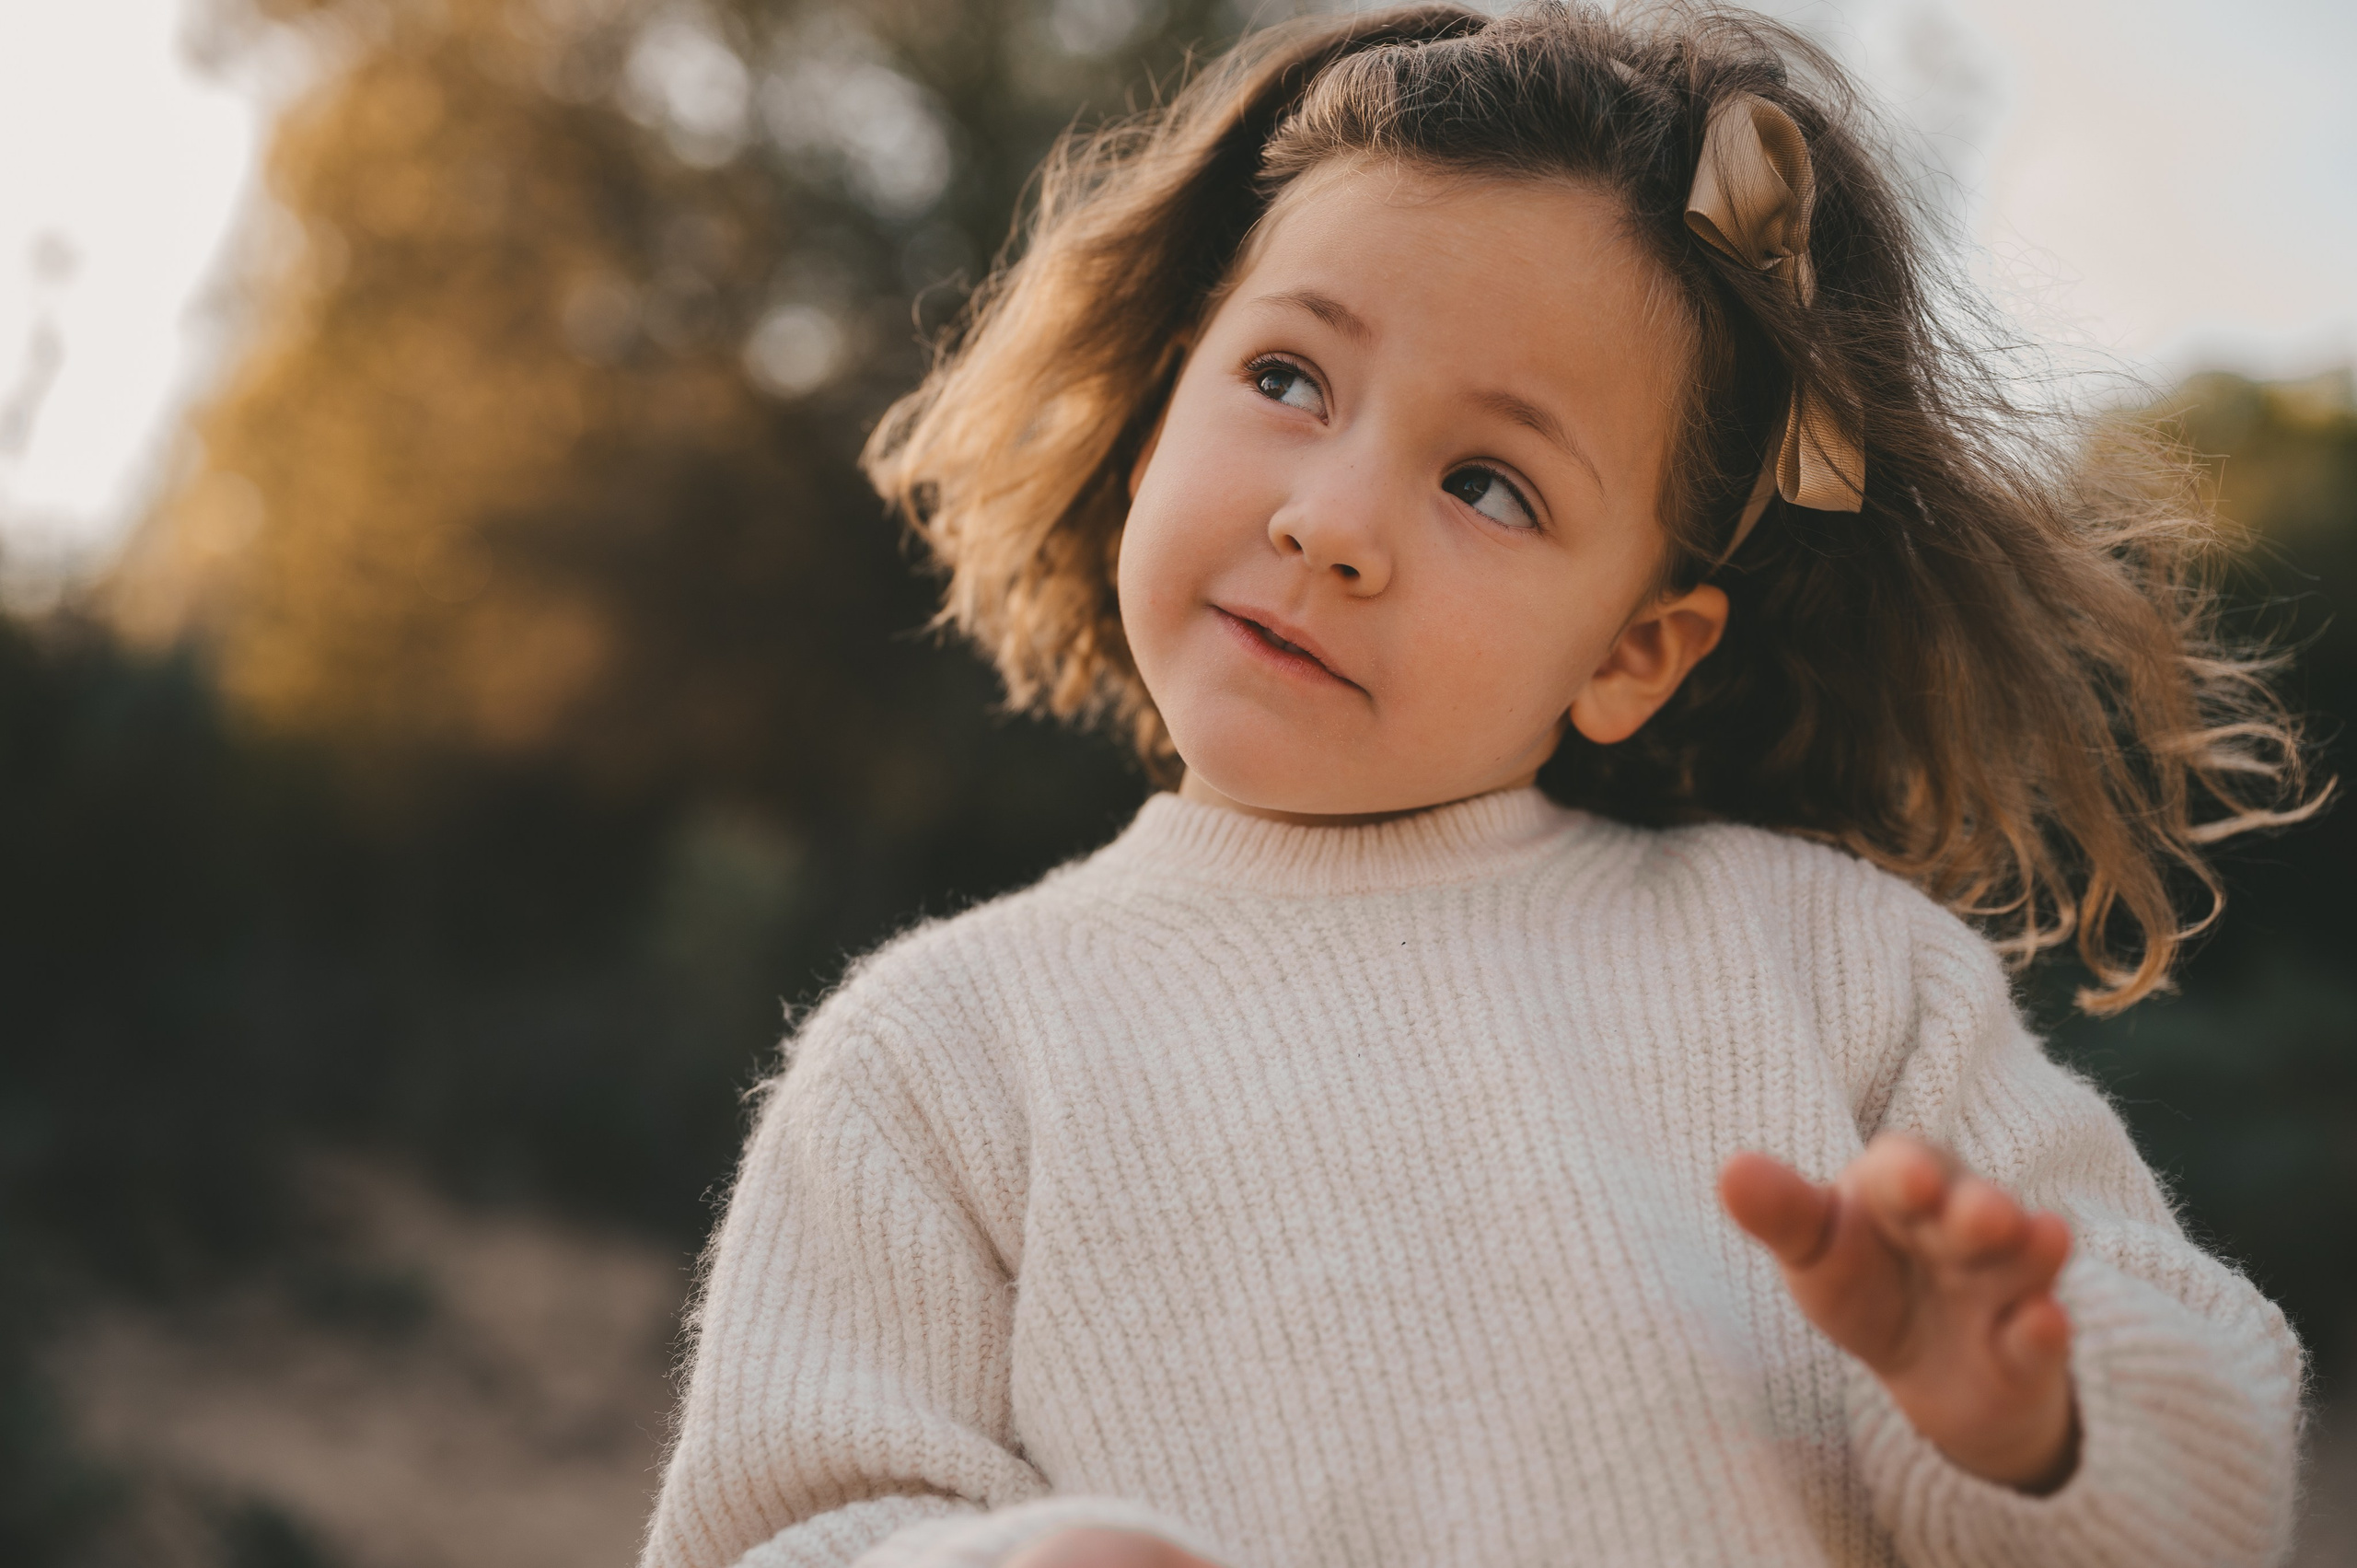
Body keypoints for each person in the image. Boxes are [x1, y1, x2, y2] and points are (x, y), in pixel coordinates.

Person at [638, 5, 2324, 1565]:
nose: (1333, 522)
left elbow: (2216, 1470)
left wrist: (2036, 1419)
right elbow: (793, 1520)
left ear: (1634, 651)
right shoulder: (942, 1057)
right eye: (1287, 380)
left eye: (1490, 485)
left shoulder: (1836, 972)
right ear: (1159, 422)